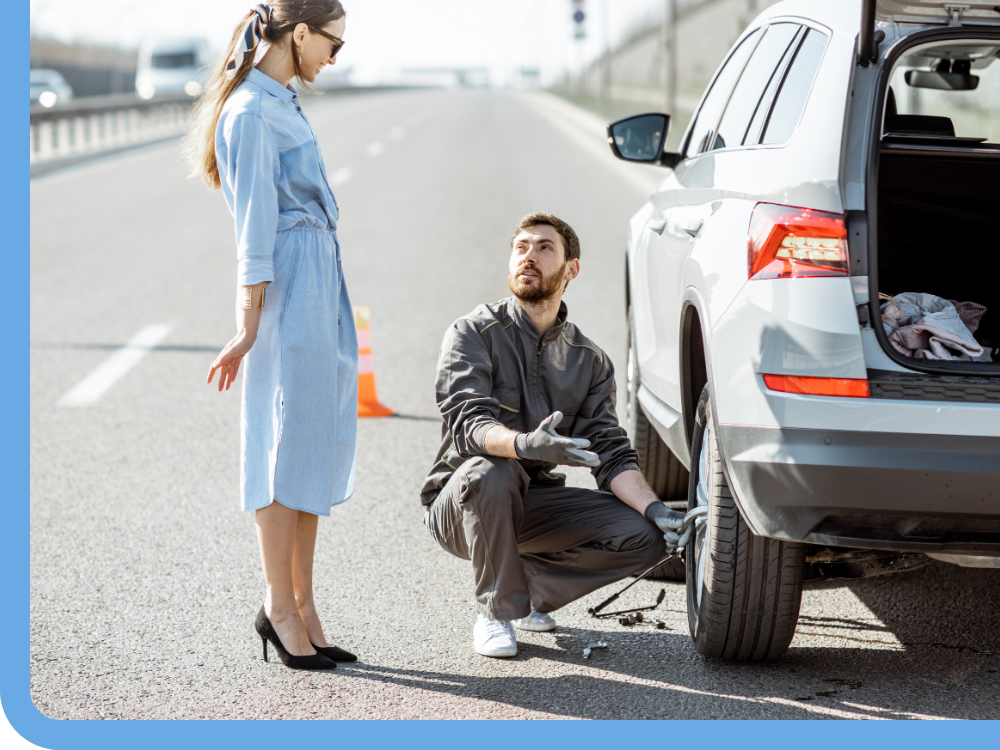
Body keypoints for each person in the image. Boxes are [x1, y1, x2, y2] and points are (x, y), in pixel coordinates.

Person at [421, 213, 688, 658]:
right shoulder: (472, 332)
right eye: (521, 247)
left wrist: (656, 507)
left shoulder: (589, 361)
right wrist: (525, 444)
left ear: (570, 269)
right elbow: (468, 426)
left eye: (545, 248)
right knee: (493, 472)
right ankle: (496, 612)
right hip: (462, 502)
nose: (529, 256)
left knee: (646, 534)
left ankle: (523, 593)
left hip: (533, 503)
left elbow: (610, 452)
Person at [186, 1, 357, 670]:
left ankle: (304, 605)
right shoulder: (252, 112)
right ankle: (277, 608)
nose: (335, 58)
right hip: (287, 282)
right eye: (332, 44)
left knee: (312, 447)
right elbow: (253, 229)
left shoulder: (283, 99)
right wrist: (247, 323)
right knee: (281, 448)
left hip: (318, 275)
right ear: (299, 32)